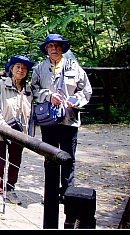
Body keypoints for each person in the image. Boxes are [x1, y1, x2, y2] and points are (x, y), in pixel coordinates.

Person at [30, 34, 92, 203]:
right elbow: (33, 90)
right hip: (48, 121)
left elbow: (85, 90)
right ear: (47, 49)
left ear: (62, 48)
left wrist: (75, 100)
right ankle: (50, 194)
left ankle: (68, 193)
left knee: (68, 157)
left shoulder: (74, 67)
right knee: (50, 158)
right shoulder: (40, 68)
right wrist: (48, 96)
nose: (54, 49)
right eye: (51, 46)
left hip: (69, 120)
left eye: (57, 46)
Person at [0, 55, 34, 209]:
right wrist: (3, 128)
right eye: (18, 67)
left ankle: (10, 189)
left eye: (24, 68)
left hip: (20, 132)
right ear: (11, 69)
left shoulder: (28, 89)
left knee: (15, 161)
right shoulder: (0, 85)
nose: (21, 70)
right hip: (1, 130)